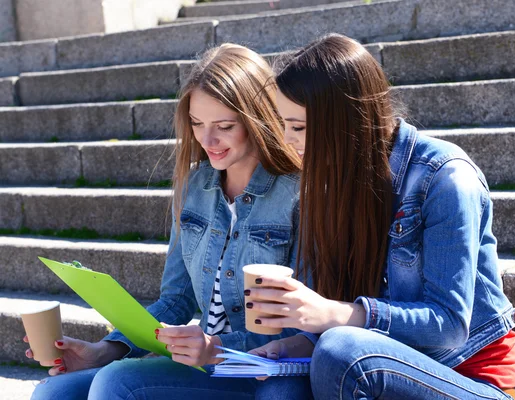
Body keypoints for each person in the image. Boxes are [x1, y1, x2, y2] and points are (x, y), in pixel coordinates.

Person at [248, 33, 515, 400]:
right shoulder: (331, 182)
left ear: (342, 122)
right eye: (284, 124)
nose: (288, 140)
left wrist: (335, 314)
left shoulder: (445, 177)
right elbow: (337, 322)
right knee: (279, 387)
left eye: (298, 127)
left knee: (341, 351)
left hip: (468, 378)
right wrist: (293, 346)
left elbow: (449, 326)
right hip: (376, 366)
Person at [27, 43, 306, 400]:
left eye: (223, 125)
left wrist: (215, 345)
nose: (207, 140)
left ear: (258, 118)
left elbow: (305, 325)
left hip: (262, 366)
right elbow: (175, 301)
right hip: (206, 364)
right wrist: (106, 349)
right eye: (197, 123)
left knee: (117, 383)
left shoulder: (298, 192)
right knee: (54, 391)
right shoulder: (195, 186)